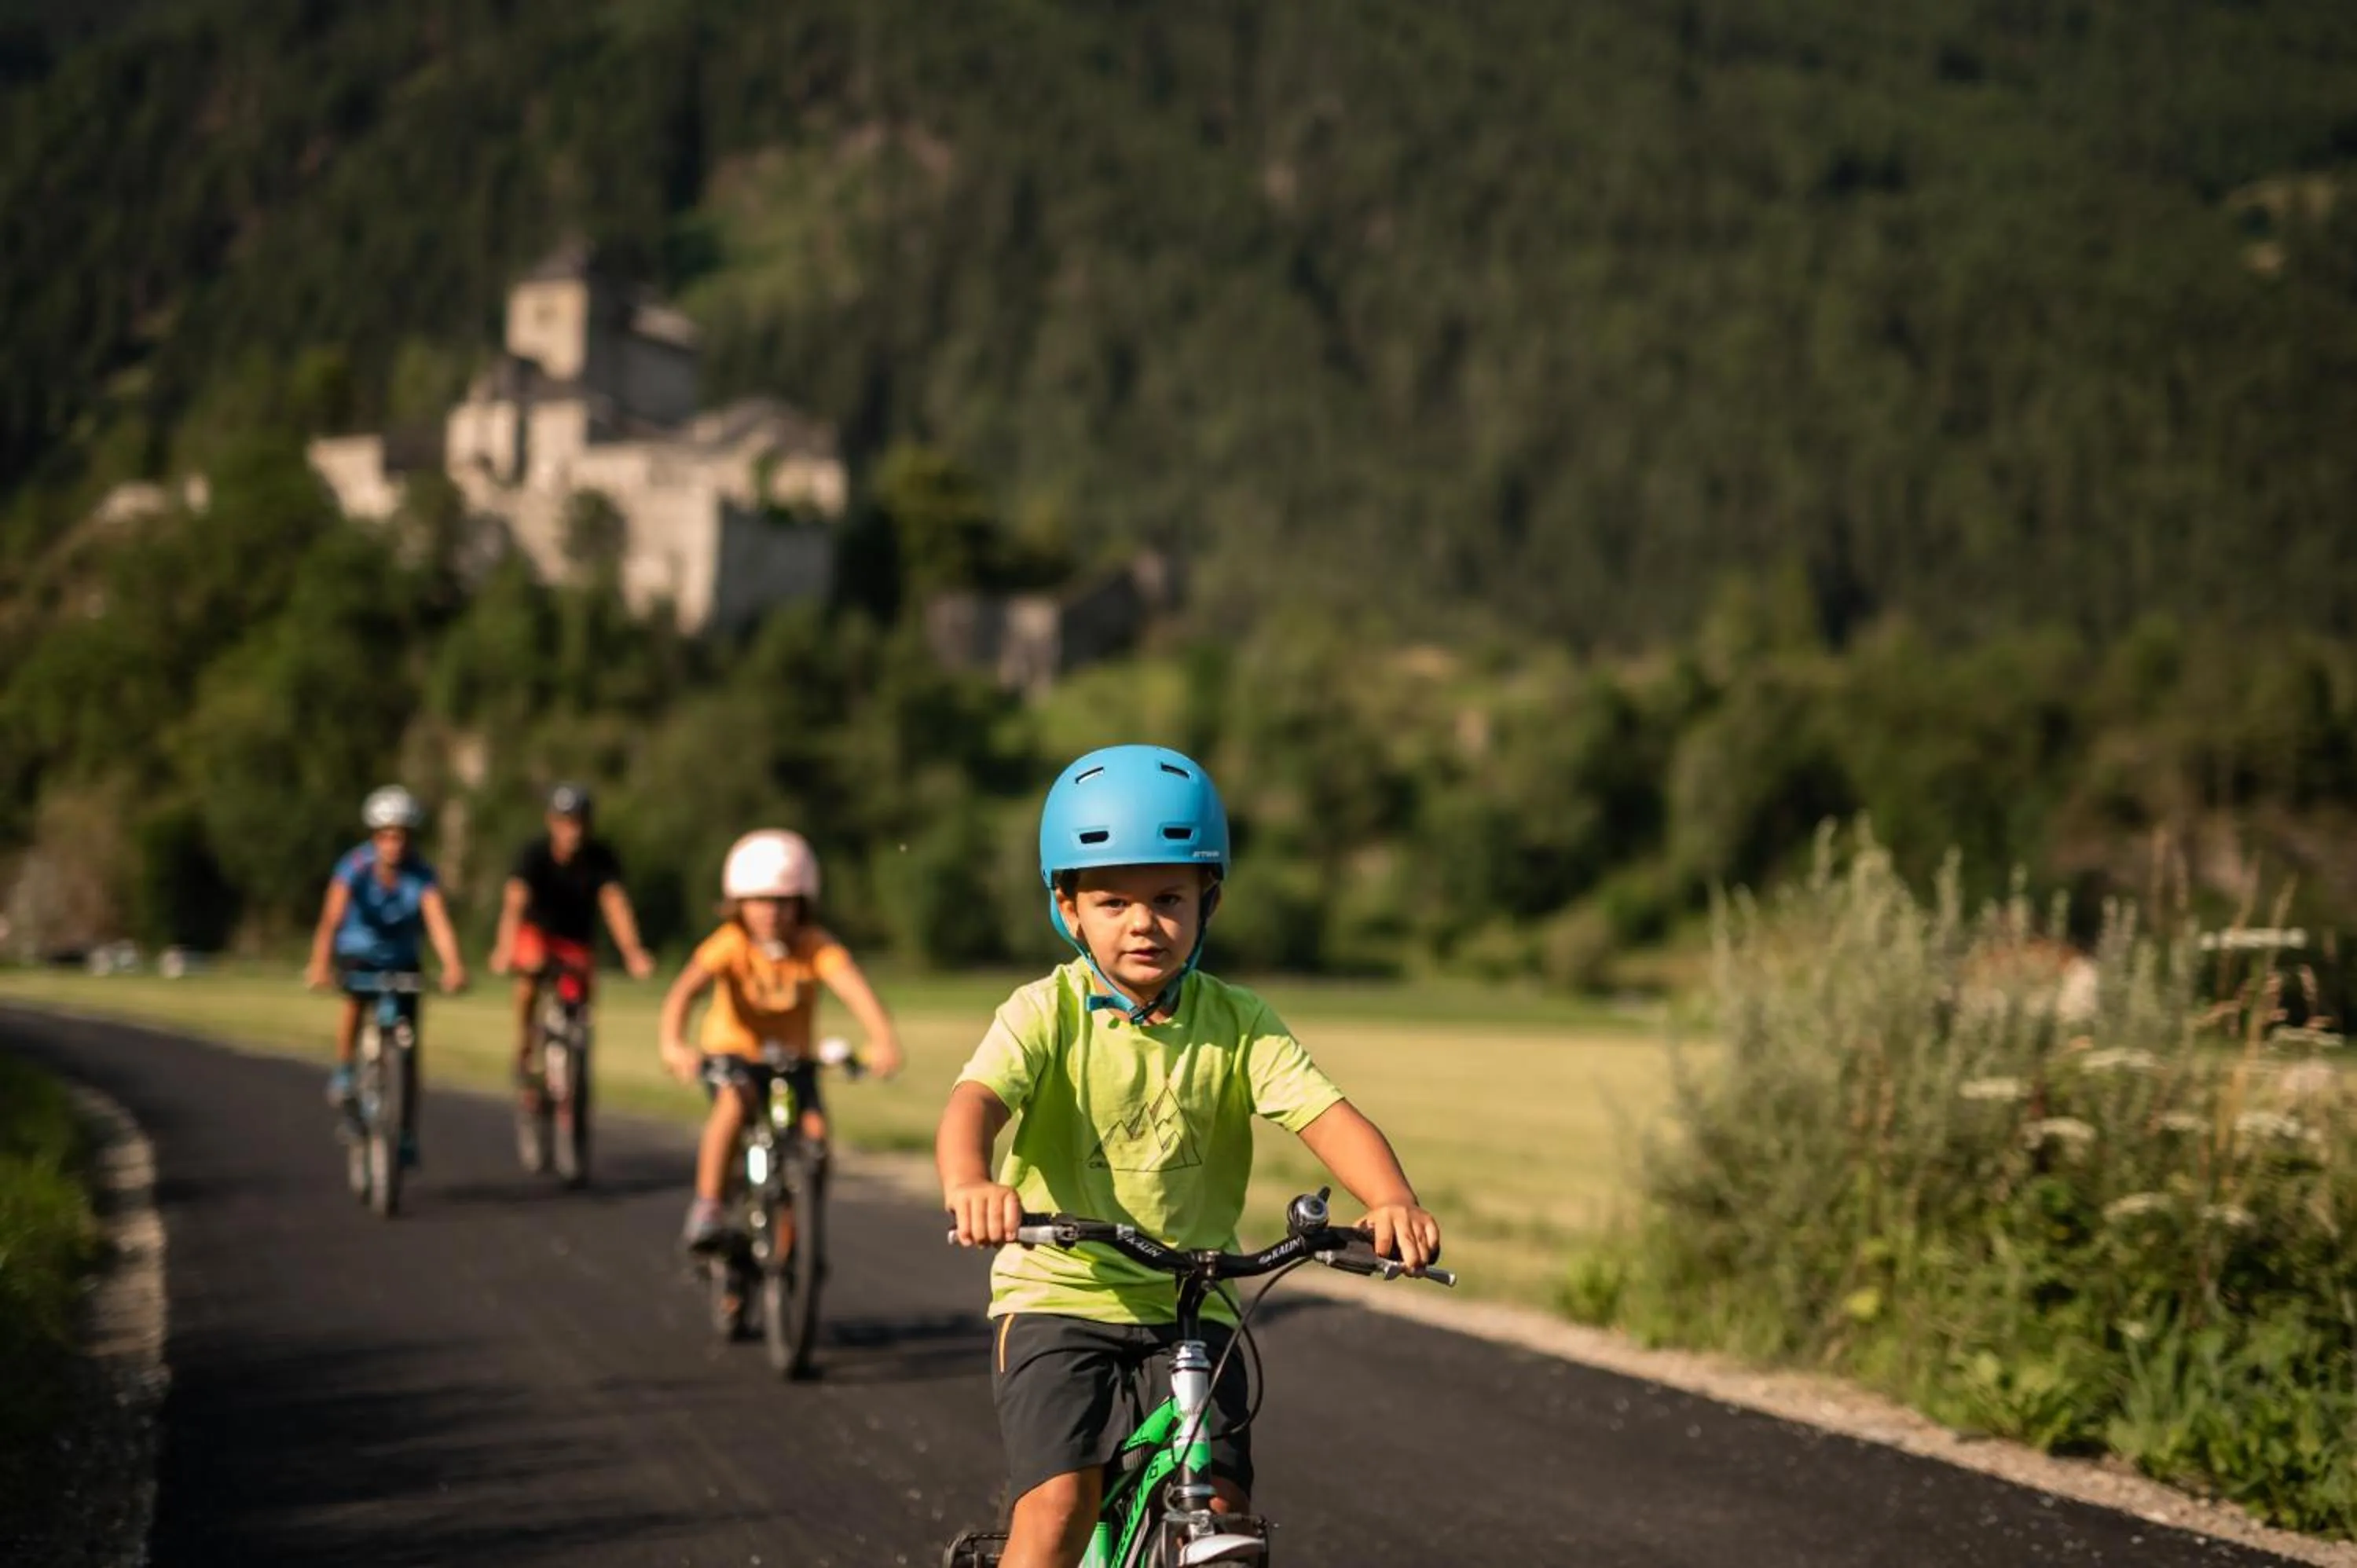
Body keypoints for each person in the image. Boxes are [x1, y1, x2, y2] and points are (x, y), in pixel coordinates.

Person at [938, 744, 1442, 1568]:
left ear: (1209, 900)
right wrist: (970, 1181)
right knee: (1062, 1502)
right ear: (1067, 907)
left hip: (1193, 1306)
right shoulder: (1046, 1011)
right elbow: (975, 1103)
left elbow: (1325, 1113)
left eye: (1169, 897)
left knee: (1221, 1507)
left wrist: (1391, 1198)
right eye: (1112, 900)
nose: (1144, 922)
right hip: (1061, 1296)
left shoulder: (1240, 1021)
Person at [657, 829, 905, 1251]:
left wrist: (883, 1041)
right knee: (735, 1105)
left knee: (816, 1136)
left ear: (802, 902)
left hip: (793, 1062)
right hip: (733, 1056)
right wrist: (674, 1044)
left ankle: (798, 1224)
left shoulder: (814, 946)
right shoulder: (730, 944)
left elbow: (856, 991)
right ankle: (709, 1205)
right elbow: (683, 993)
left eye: (783, 900)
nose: (771, 912)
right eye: (758, 900)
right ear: (738, 903)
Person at [306, 785, 469, 1163]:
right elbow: (331, 918)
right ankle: (345, 1073)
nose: (394, 844)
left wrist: (454, 965)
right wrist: (319, 963)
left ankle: (406, 1131)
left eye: (402, 837)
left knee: (409, 1050)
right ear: (374, 837)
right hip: (359, 954)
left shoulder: (422, 874)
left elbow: (439, 923)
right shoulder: (354, 867)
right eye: (386, 836)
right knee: (354, 1002)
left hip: (402, 960)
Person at [489, 783, 655, 1115]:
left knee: (582, 1008)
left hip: (575, 942)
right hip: (536, 934)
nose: (573, 830)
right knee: (531, 974)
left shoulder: (600, 858)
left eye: (579, 822)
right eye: (566, 822)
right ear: (552, 822)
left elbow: (615, 904)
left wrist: (633, 952)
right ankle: (525, 1046)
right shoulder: (534, 854)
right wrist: (504, 948)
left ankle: (574, 1075)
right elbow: (515, 903)